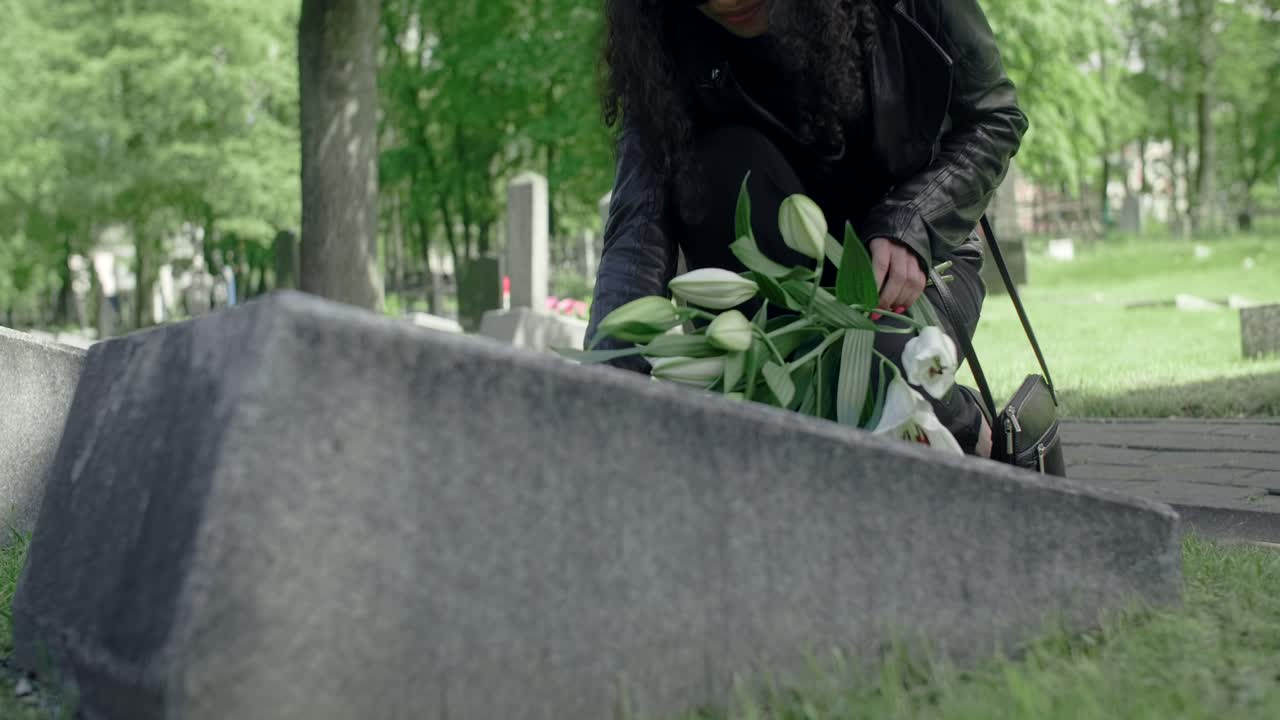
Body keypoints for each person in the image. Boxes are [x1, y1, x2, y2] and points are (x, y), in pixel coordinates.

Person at [586, 0, 1029, 458]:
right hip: (772, 302)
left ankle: (965, 425)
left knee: (877, 363)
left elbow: (994, 117)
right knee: (715, 163)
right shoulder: (663, 26)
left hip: (912, 266)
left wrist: (913, 222)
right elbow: (639, 227)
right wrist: (608, 384)